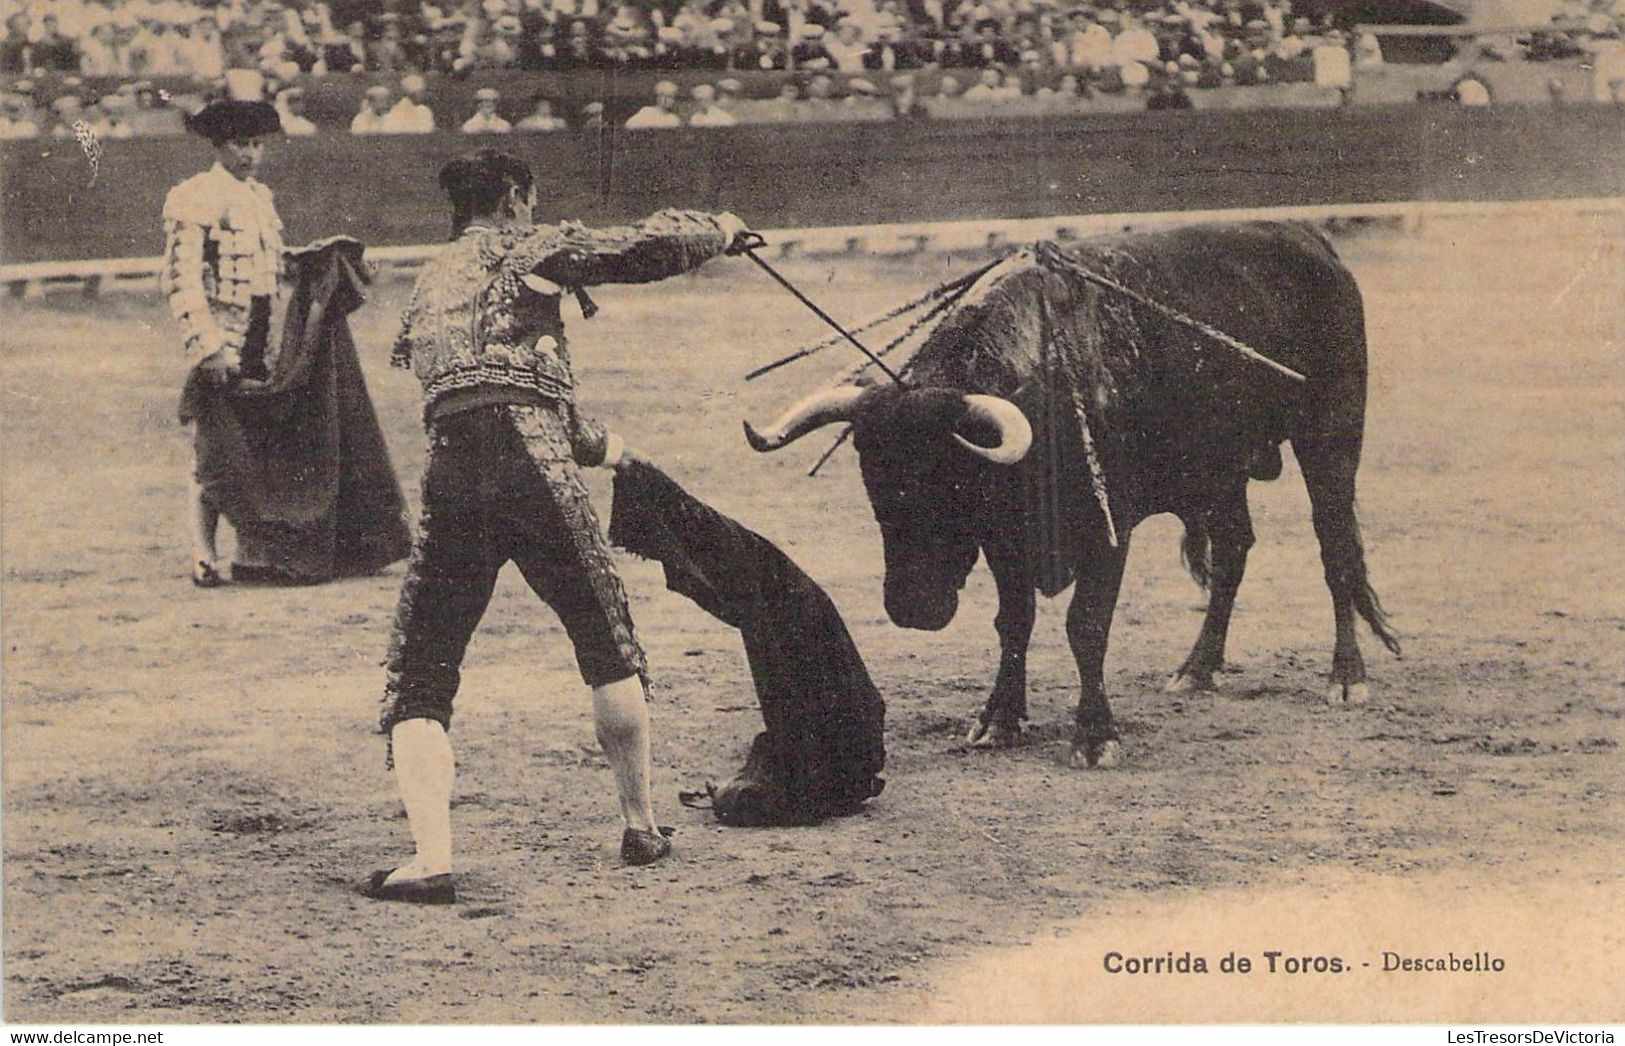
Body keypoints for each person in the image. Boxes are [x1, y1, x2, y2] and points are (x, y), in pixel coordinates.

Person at [366, 149, 755, 902]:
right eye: (530, 200)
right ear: (515, 198)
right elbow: (637, 249)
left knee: (423, 669)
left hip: (451, 473)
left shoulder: (430, 279)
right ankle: (640, 825)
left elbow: (492, 383)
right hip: (532, 467)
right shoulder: (527, 247)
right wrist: (722, 230)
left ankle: (431, 858)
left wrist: (613, 449)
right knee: (602, 634)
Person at [160, 99, 287, 587]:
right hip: (222, 335)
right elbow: (182, 279)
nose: (251, 154)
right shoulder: (193, 195)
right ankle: (203, 552)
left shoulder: (262, 197)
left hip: (260, 337)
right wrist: (206, 344)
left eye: (257, 144)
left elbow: (268, 271)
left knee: (256, 446)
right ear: (218, 145)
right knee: (213, 449)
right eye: (241, 144)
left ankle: (251, 549)